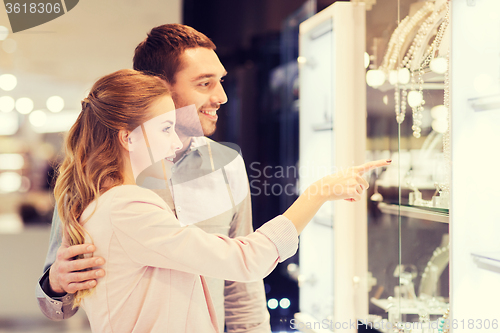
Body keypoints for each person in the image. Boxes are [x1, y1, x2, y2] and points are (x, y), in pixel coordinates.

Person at [53, 69, 389, 332]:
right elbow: (245, 259)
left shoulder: (108, 201)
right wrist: (318, 193)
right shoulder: (127, 206)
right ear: (128, 137)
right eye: (166, 129)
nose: (174, 144)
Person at [36, 24, 271, 332]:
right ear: (159, 87)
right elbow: (55, 306)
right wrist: (56, 283)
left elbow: (243, 286)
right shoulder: (96, 174)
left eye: (221, 81)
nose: (222, 96)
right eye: (204, 84)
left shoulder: (227, 165)